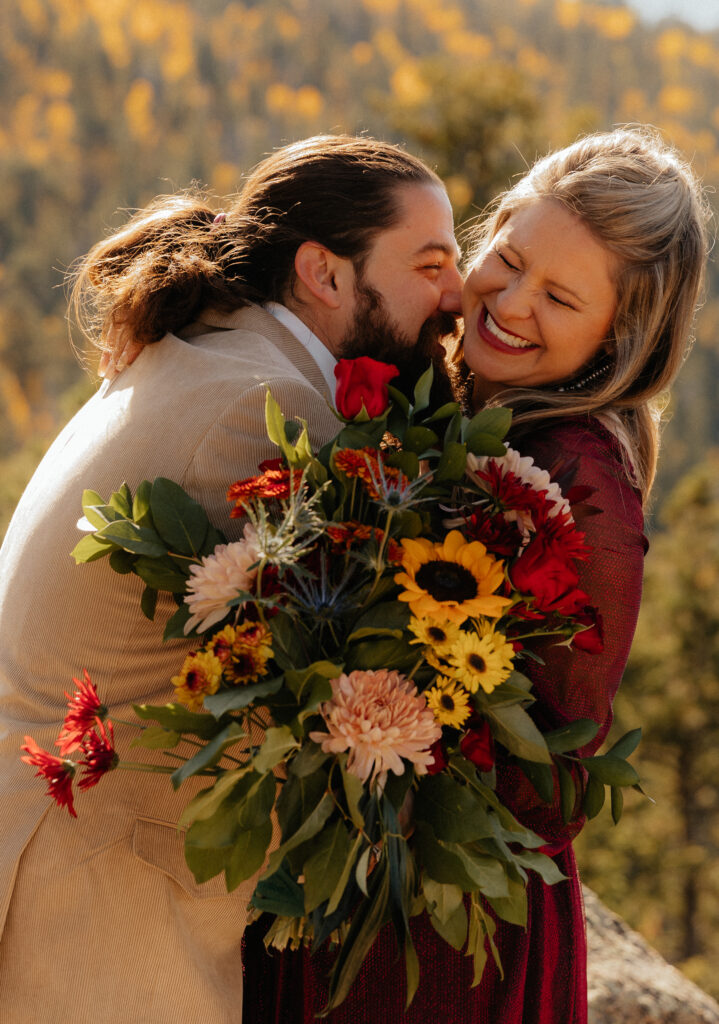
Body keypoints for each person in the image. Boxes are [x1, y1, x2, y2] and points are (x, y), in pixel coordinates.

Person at [240, 127, 710, 1022]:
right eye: (508, 256)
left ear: (619, 340)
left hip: (445, 929)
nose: (511, 301)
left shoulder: (582, 481)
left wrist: (368, 720)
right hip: (359, 870)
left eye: (561, 297)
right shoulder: (457, 395)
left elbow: (550, 779)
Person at [0, 134, 463, 1022]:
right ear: (324, 274)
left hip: (57, 858)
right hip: (93, 913)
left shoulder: (208, 350)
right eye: (430, 263)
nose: (456, 293)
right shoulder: (269, 408)